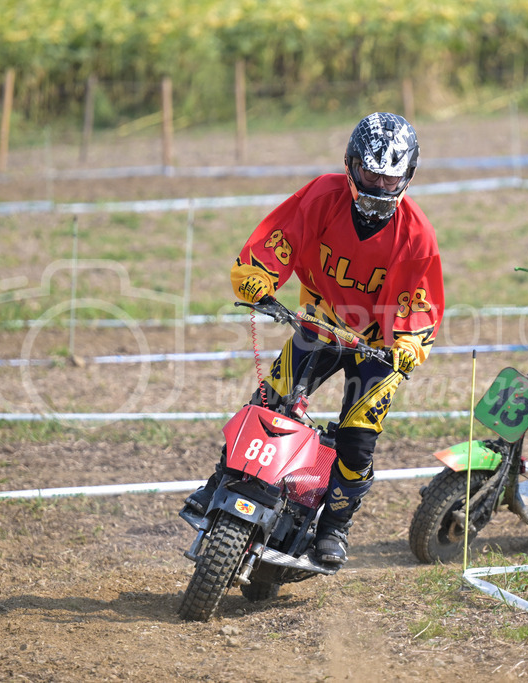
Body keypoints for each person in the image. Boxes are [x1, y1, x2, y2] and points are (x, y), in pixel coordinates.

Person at [186, 112, 444, 565]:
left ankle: (335, 527)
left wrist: (408, 345)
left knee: (357, 439)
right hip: (321, 322)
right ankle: (219, 484)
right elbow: (279, 238)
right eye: (369, 175)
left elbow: (421, 302)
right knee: (268, 402)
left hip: (377, 346)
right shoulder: (323, 194)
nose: (378, 189)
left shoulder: (416, 233)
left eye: (390, 179)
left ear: (408, 176)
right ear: (349, 164)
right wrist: (257, 280)